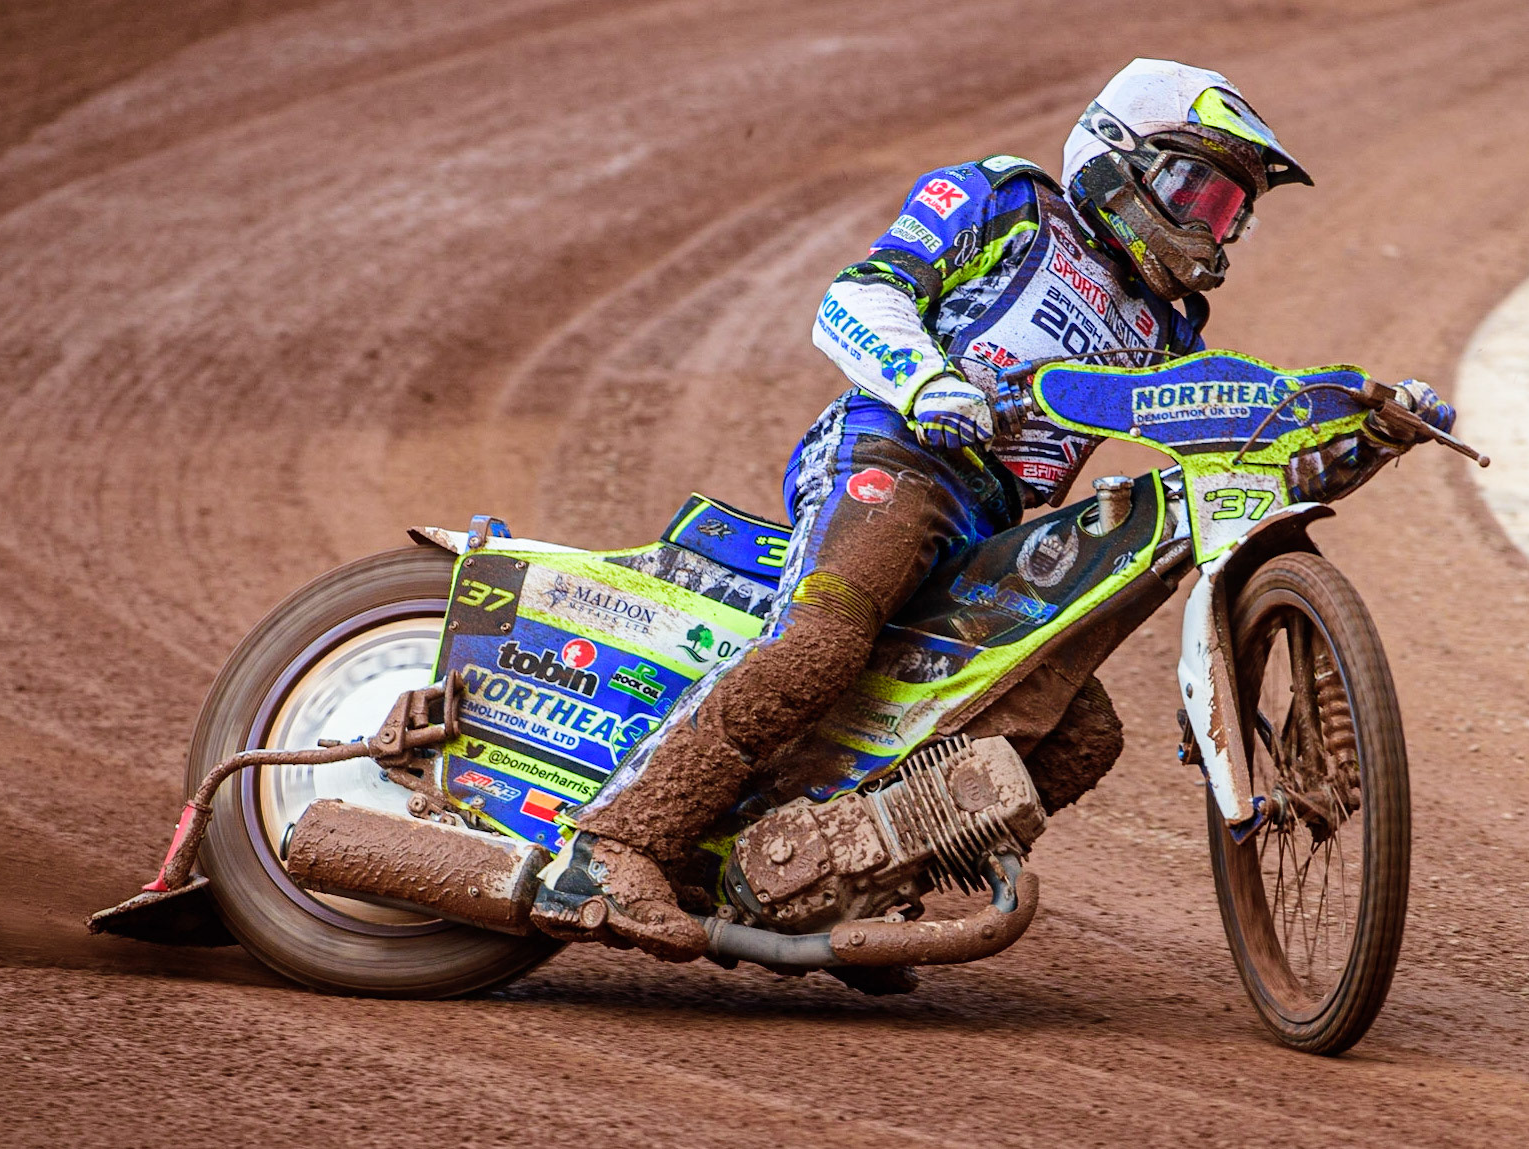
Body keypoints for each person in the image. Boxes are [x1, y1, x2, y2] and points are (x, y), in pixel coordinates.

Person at [531, 58, 1453, 961]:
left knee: (1081, 731)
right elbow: (856, 295)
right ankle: (611, 844)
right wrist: (929, 381)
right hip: (895, 453)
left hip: (998, 526)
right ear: (1117, 153)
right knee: (824, 637)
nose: (1216, 226)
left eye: (1231, 209)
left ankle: (847, 879)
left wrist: (1360, 436)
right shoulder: (1006, 202)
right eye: (1198, 190)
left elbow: (1232, 463)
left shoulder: (1168, 327)